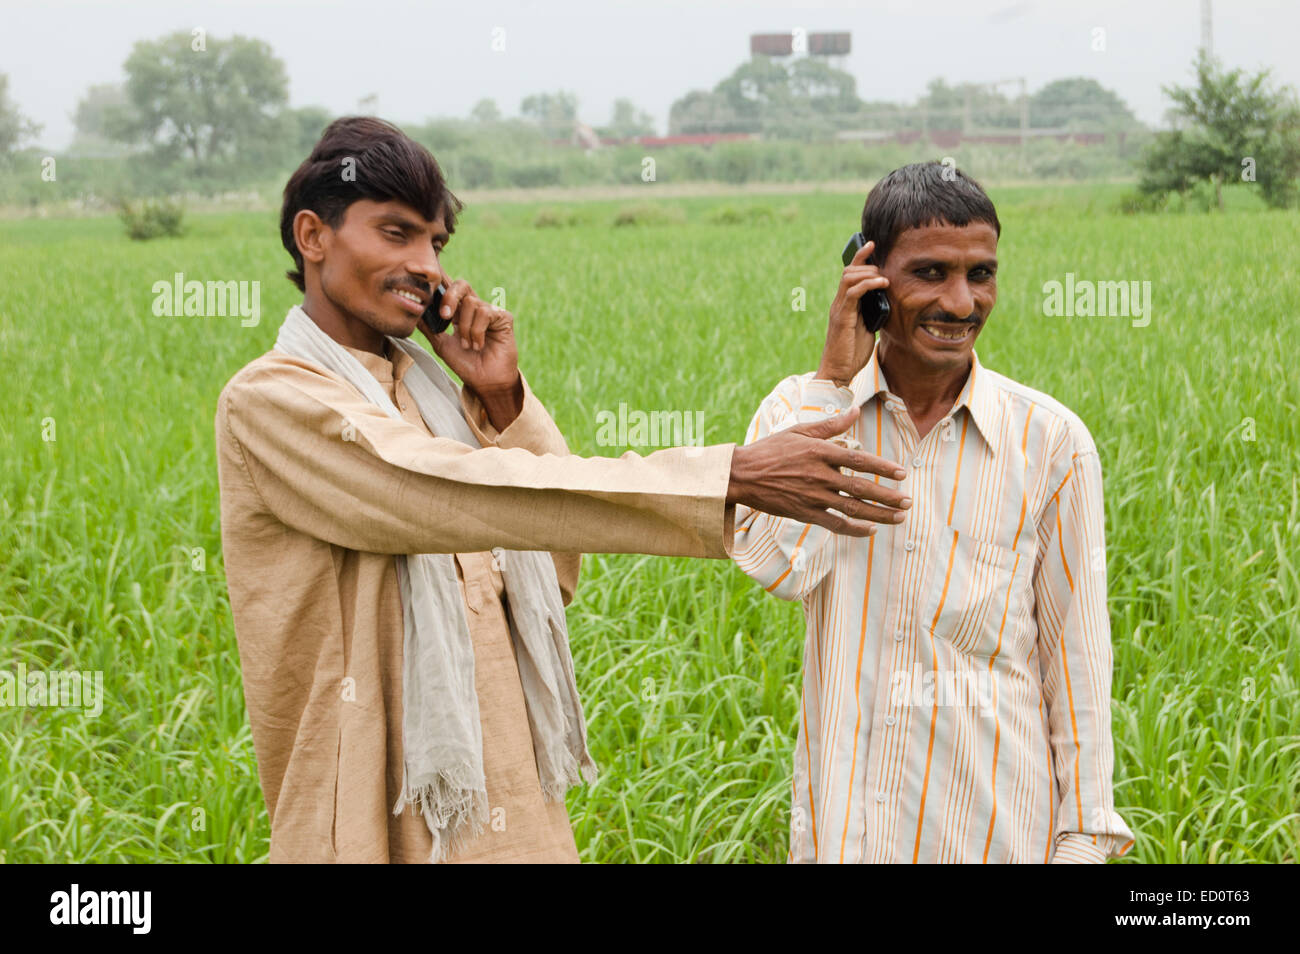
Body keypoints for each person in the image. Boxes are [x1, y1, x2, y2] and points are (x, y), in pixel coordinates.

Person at [214, 116, 910, 863]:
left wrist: (501, 396)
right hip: (369, 822)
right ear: (313, 236)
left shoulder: (433, 398)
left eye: (436, 243)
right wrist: (730, 475)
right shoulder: (272, 402)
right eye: (396, 234)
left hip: (514, 809)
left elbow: (551, 562)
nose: (426, 266)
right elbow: (443, 492)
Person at [733, 161, 1136, 863]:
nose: (960, 301)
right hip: (846, 839)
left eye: (981, 274)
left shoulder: (1050, 442)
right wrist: (834, 381)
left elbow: (1077, 656)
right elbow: (778, 566)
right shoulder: (799, 413)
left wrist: (1083, 842)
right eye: (930, 273)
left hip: (997, 837)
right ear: (869, 278)